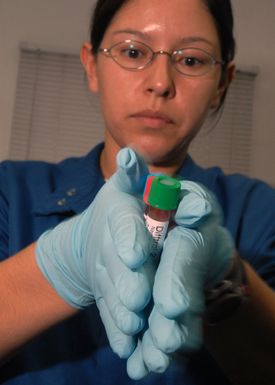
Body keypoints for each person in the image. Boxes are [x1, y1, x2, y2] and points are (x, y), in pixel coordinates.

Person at [0, 0, 275, 384]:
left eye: (192, 60)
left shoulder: (260, 212)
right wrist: (59, 268)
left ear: (221, 84)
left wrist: (225, 280)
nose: (160, 83)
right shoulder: (10, 191)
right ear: (92, 66)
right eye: (133, 52)